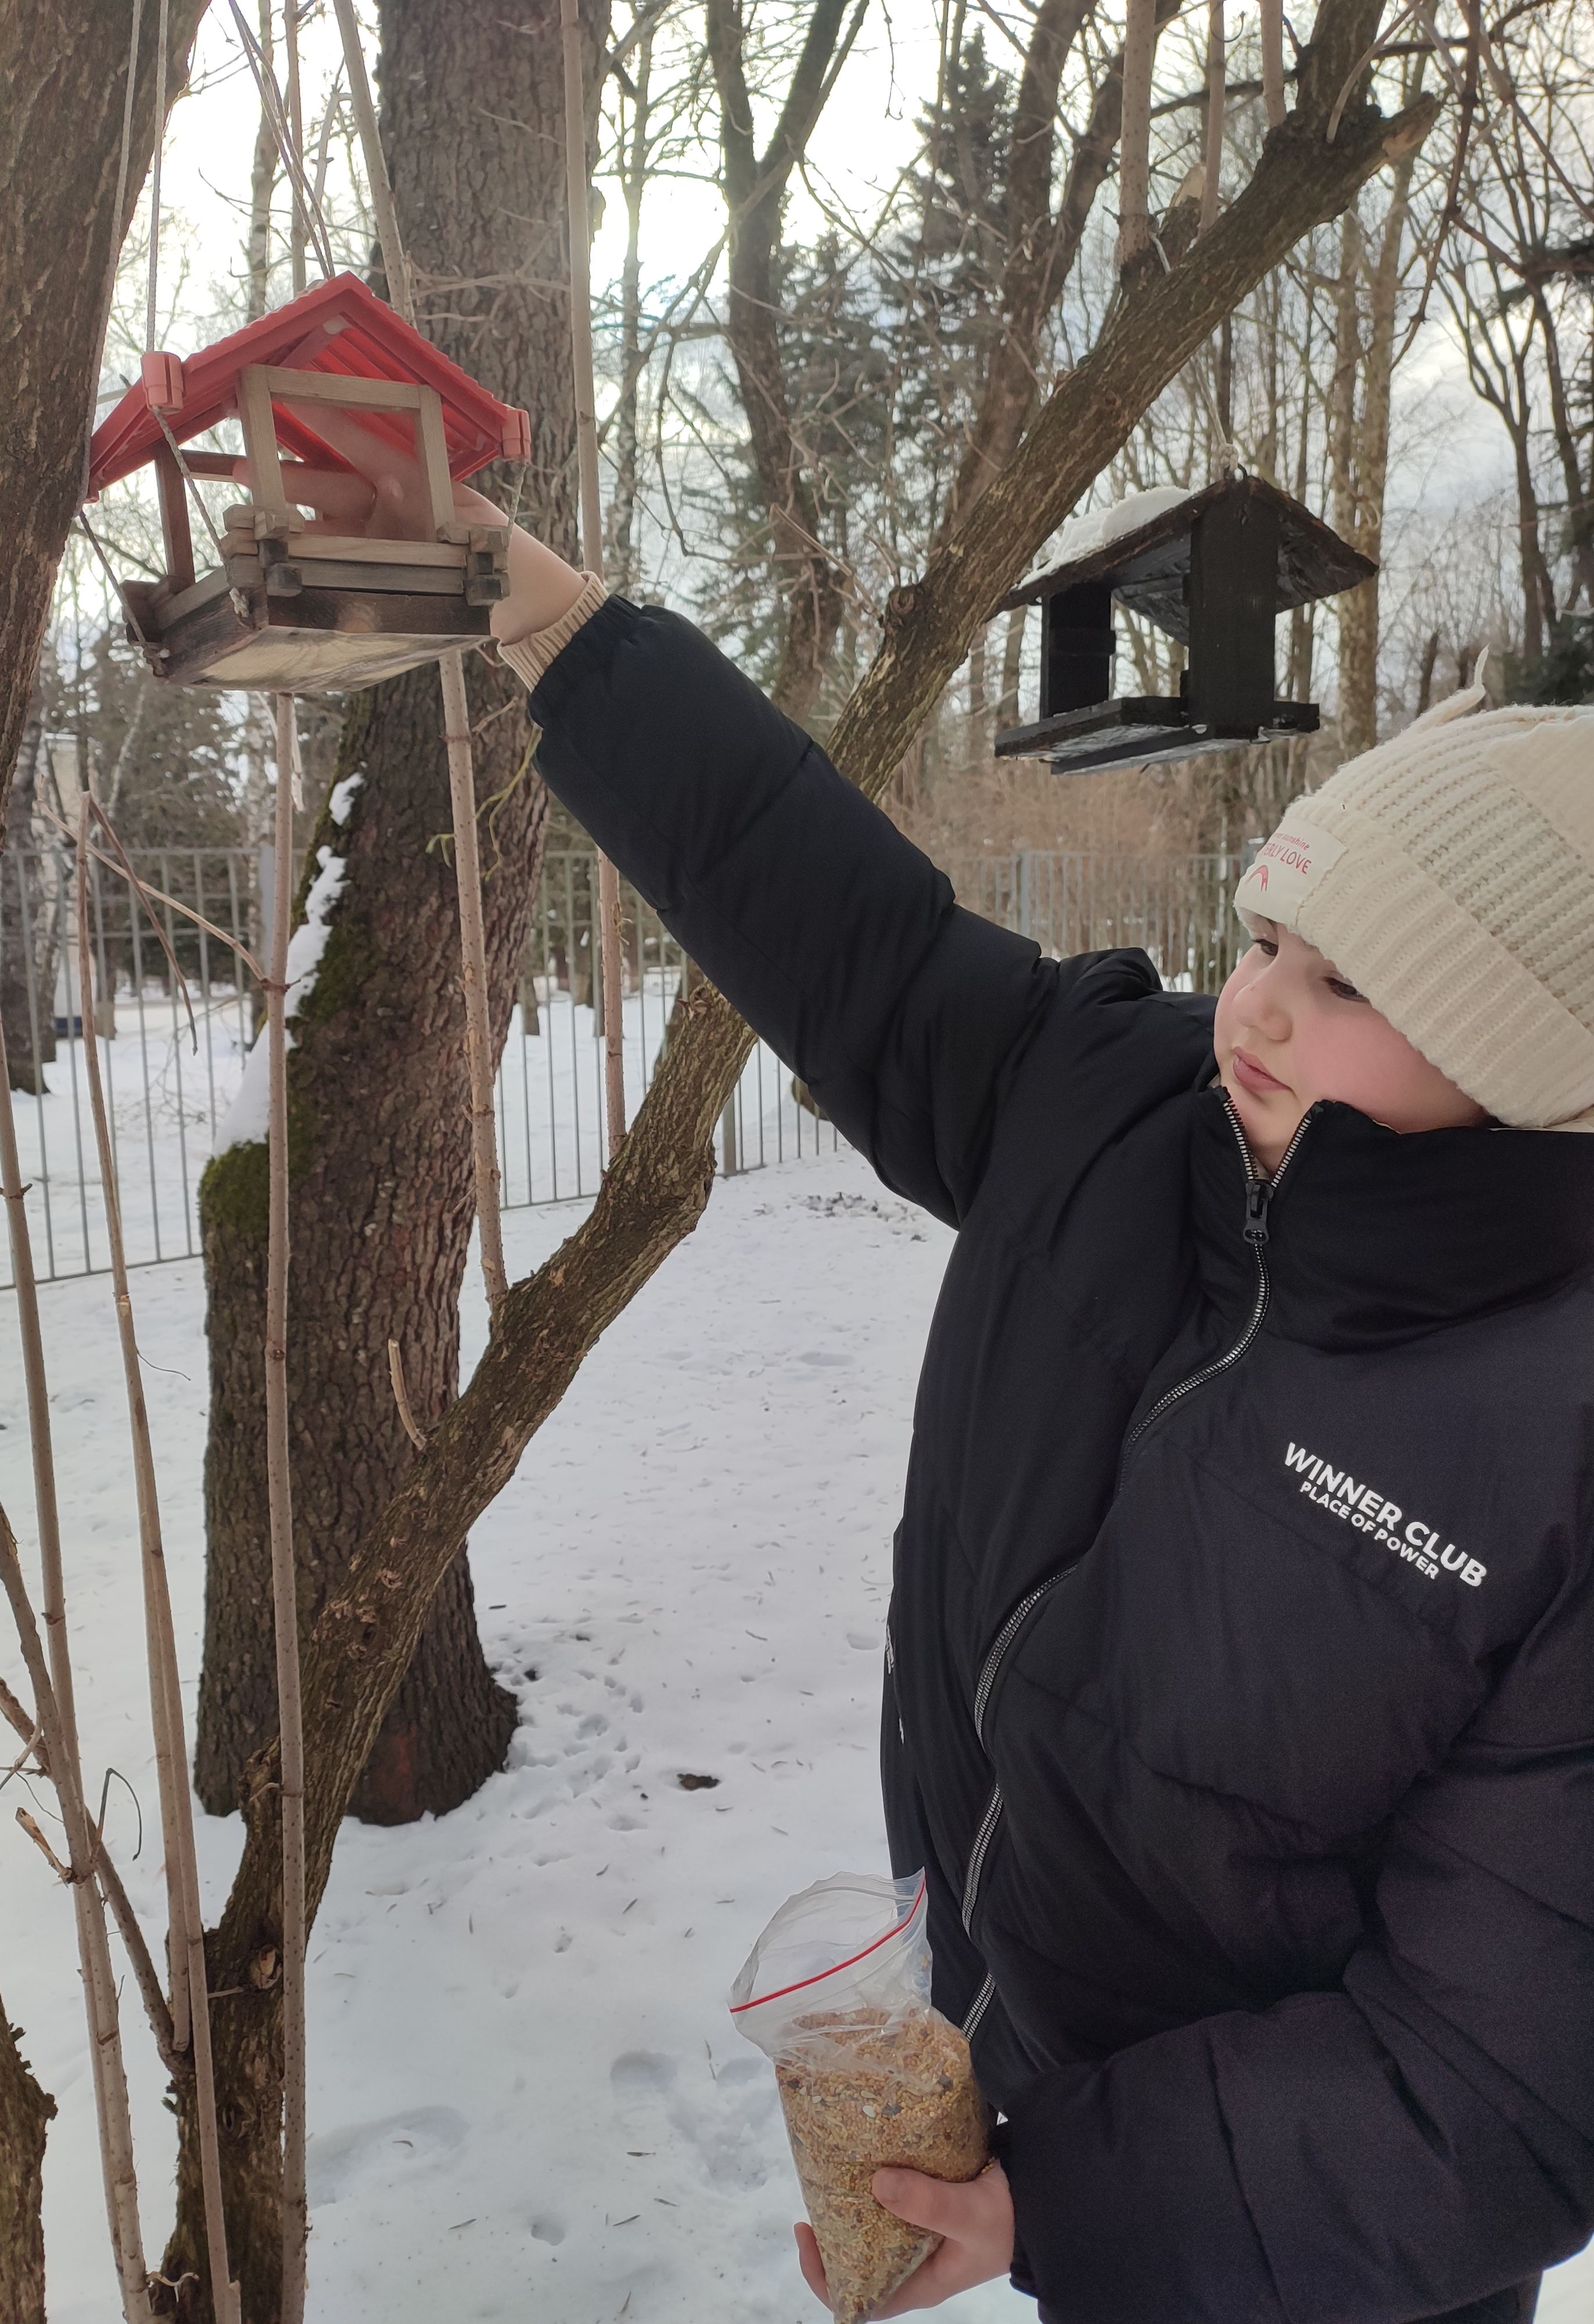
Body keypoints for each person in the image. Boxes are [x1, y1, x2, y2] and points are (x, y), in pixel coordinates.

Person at [465, 483, 1594, 2324]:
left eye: (1354, 980)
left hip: (1321, 2265)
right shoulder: (1124, 1113)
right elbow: (849, 930)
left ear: (1537, 1053)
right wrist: (535, 608)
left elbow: (1493, 2084)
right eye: (1265, 940)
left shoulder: (1558, 1444)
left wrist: (1060, 2206)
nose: (1263, 1010)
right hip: (1022, 2079)